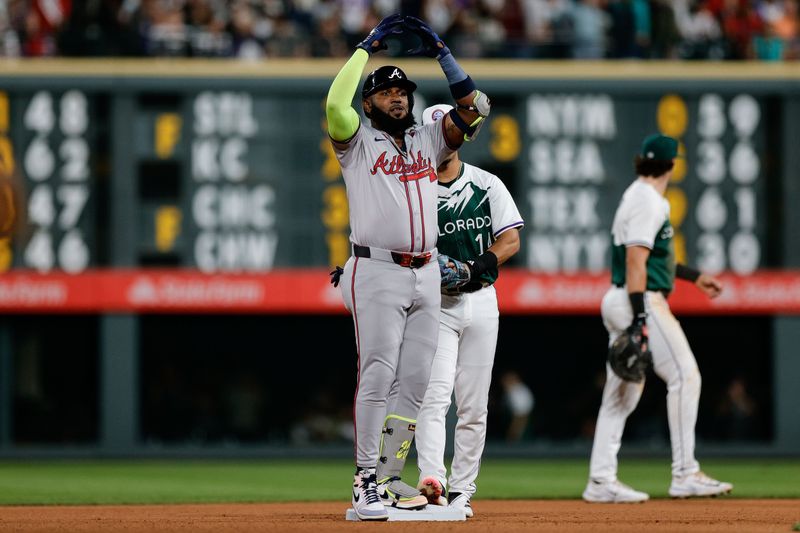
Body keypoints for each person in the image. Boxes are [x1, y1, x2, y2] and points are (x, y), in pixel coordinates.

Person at [325, 15, 492, 521]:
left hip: (425, 274)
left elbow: (473, 108)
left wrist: (443, 52)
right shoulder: (355, 143)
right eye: (386, 91)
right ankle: (363, 483)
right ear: (370, 102)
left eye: (403, 89)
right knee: (377, 374)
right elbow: (336, 103)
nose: (398, 96)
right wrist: (365, 50)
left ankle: (390, 473)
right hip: (376, 269)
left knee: (416, 382)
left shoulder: (427, 139)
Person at [582, 133, 733, 503]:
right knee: (686, 376)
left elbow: (651, 257)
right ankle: (685, 473)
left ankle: (600, 481)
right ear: (672, 164)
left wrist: (694, 275)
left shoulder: (636, 194)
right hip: (639, 299)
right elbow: (636, 260)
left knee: (621, 397)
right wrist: (639, 319)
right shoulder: (649, 200)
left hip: (622, 297)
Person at [414, 103, 523, 518]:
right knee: (435, 395)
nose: (445, 137)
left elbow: (510, 239)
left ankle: (462, 489)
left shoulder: (485, 183)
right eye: (438, 130)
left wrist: (475, 266)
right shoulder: (413, 189)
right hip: (436, 304)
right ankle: (432, 479)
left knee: (475, 405)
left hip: (481, 299)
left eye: (450, 130)